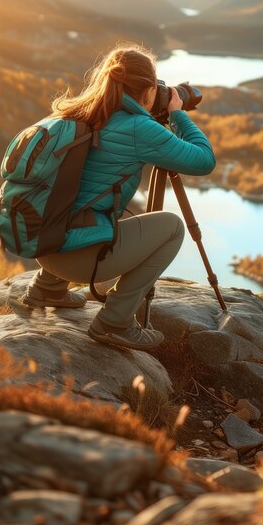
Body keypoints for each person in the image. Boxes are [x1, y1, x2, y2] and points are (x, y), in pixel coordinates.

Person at [21, 44, 215, 350]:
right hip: (76, 260)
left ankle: (47, 288)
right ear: (149, 90)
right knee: (172, 228)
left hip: (44, 246)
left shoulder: (76, 112)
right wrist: (177, 115)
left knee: (81, 195)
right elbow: (204, 160)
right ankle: (114, 322)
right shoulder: (138, 127)